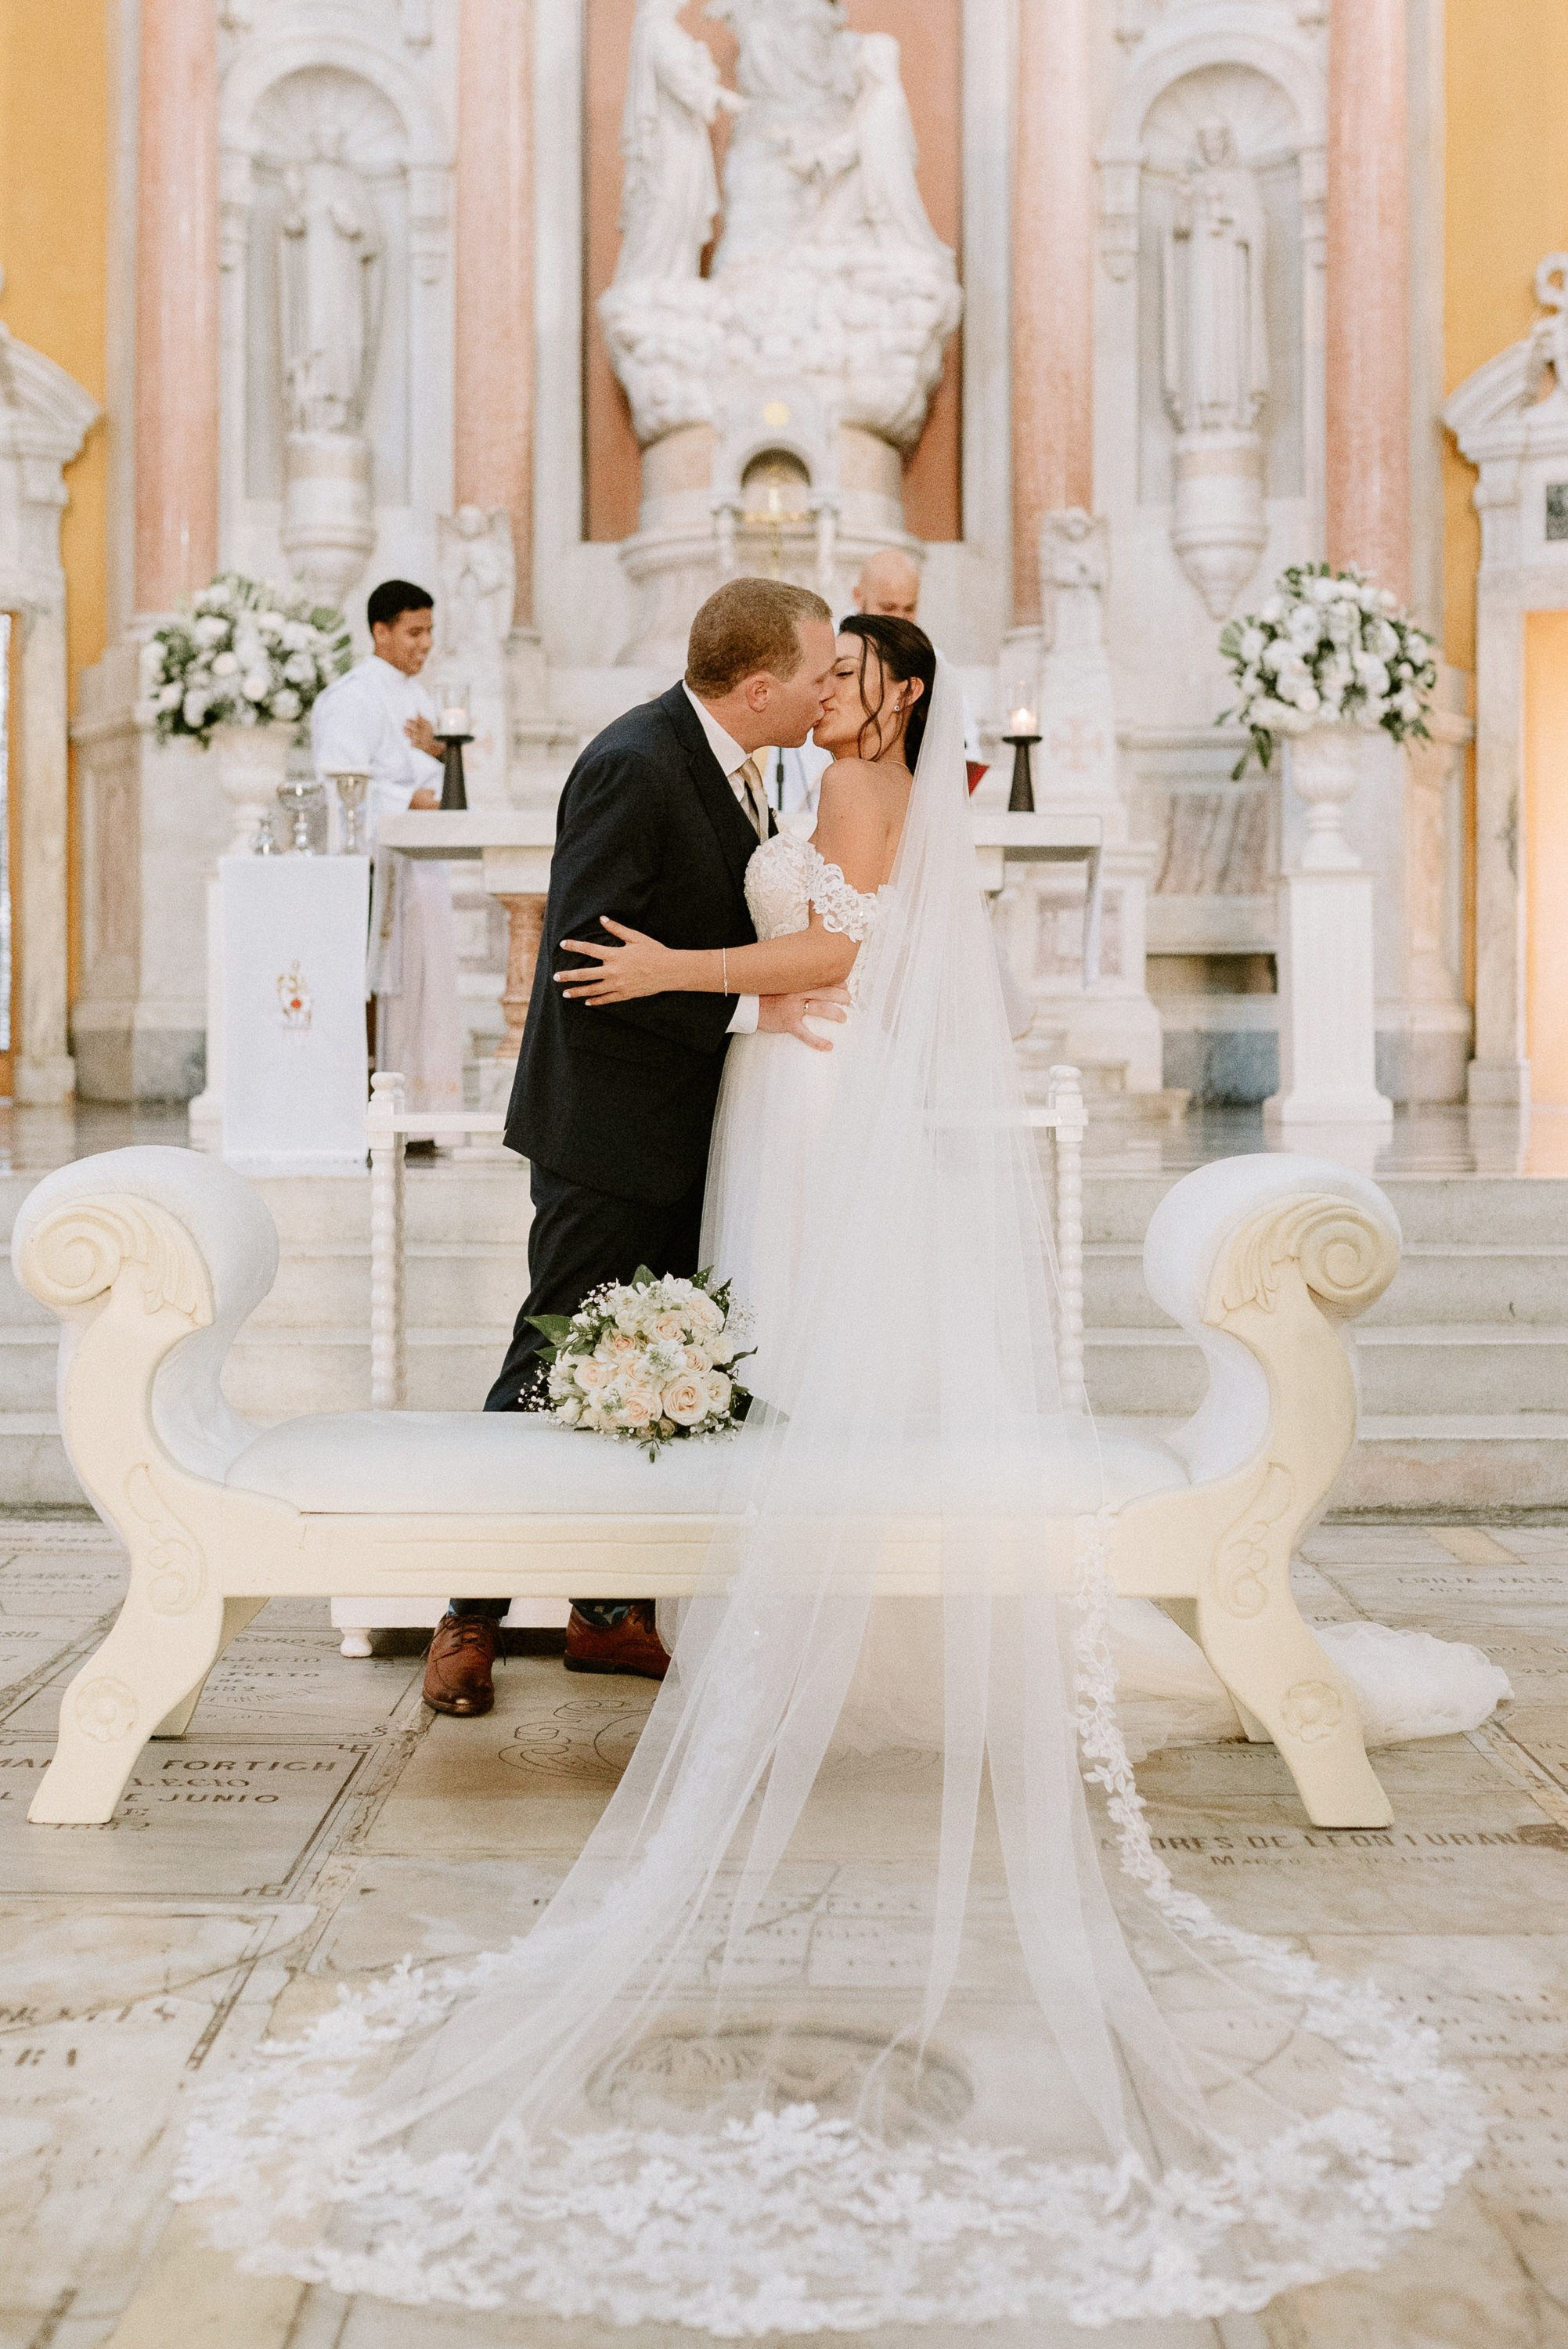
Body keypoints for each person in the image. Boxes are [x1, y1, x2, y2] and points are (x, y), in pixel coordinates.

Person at [178, 629, 1491, 2333]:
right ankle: (555, 1595)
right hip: (744, 1104)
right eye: (806, 665)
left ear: (883, 694)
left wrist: (696, 972)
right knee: (683, 1346)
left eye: (846, 664)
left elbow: (841, 944)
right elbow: (774, 949)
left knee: (765, 1350)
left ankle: (669, 1604)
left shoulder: (854, 777)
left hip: (796, 1103)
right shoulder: (738, 767)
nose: (823, 682)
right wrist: (748, 979)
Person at [420, 579, 846, 1717]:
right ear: (757, 687)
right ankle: (465, 1613)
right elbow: (587, 963)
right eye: (815, 676)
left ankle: (607, 1612)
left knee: (655, 1363)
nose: (825, 694)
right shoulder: (635, 761)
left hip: (686, 1122)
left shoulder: (753, 765)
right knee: (549, 1365)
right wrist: (753, 1012)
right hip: (606, 1128)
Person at [311, 580, 464, 1117]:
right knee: (382, 986)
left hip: (421, 865)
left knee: (426, 983)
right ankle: (381, 1110)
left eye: (430, 632)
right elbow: (340, 785)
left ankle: (425, 1112)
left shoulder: (418, 696)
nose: (425, 644)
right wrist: (409, 799)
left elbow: (438, 773)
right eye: (414, 632)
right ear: (380, 632)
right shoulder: (353, 697)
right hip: (379, 867)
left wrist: (443, 754)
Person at [767, 547, 987, 814]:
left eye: (909, 608)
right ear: (859, 596)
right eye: (888, 607)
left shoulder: (932, 662)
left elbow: (963, 745)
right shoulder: (823, 645)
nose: (899, 619)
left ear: (908, 692)